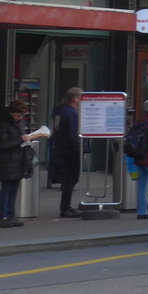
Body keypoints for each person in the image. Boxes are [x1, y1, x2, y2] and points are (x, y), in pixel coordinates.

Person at [0, 101, 45, 228]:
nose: (20, 117)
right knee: (6, 189)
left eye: (22, 115)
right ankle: (3, 216)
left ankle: (10, 215)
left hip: (17, 160)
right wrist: (21, 139)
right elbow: (1, 144)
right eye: (18, 115)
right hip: (7, 161)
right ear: (12, 112)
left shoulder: (18, 123)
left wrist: (27, 139)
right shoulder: (3, 124)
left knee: (13, 189)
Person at [49, 87, 84, 218]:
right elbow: (73, 135)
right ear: (75, 99)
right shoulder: (72, 114)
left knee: (67, 180)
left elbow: (57, 129)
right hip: (70, 151)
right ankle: (66, 208)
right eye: (81, 98)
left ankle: (65, 207)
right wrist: (80, 150)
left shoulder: (59, 110)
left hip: (61, 148)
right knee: (71, 179)